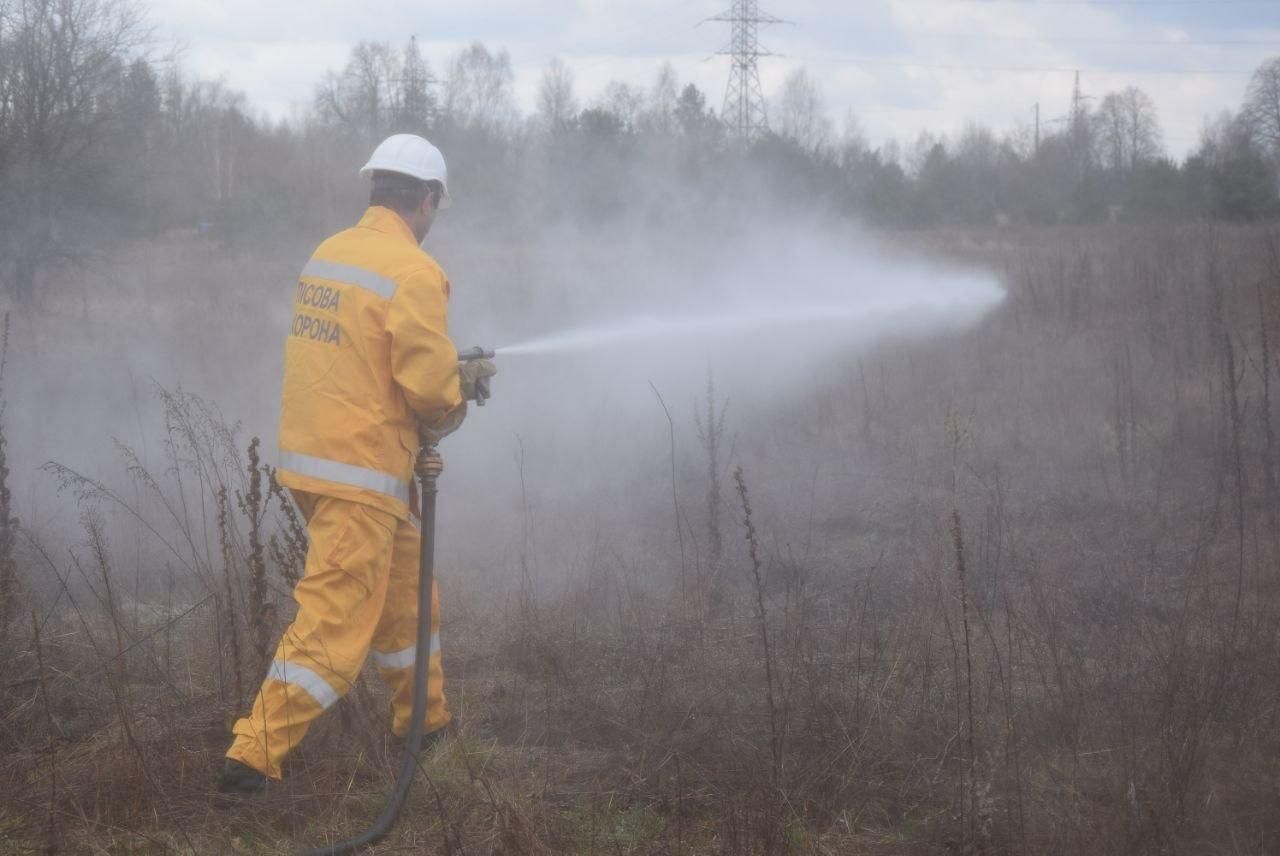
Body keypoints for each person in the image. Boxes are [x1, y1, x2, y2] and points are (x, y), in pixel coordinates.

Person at [217, 134, 496, 794]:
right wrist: (465, 387)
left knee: (407, 604)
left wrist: (445, 377)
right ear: (425, 200)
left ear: (377, 189)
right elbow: (430, 396)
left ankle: (425, 726)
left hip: (322, 465)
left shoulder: (331, 253)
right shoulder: (415, 272)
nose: (433, 220)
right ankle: (250, 760)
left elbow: (366, 358)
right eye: (436, 207)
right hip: (362, 475)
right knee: (335, 624)